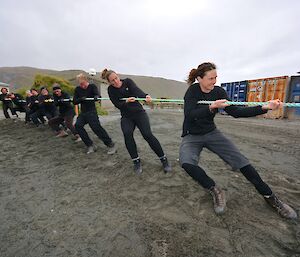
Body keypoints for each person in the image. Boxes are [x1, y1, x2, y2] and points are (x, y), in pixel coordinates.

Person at [179, 62, 297, 219]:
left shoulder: (219, 92)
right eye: (210, 78)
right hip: (191, 135)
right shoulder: (192, 92)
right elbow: (190, 114)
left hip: (211, 133)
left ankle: (271, 198)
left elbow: (236, 112)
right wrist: (211, 107)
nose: (214, 81)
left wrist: (264, 107)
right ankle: (214, 189)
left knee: (243, 163)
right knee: (186, 163)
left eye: (216, 77)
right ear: (199, 78)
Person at [101, 69, 171, 174]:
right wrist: (126, 101)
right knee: (127, 134)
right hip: (126, 116)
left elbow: (137, 90)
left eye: (116, 78)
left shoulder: (128, 82)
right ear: (109, 82)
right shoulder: (111, 90)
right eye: (112, 81)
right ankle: (136, 161)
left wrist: (145, 96)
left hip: (139, 113)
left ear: (118, 75)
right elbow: (117, 104)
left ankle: (164, 159)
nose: (115, 81)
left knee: (147, 135)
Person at [73, 73, 116, 154]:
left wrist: (96, 97)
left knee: (96, 128)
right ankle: (90, 145)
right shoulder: (77, 89)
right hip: (83, 112)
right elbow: (74, 101)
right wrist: (81, 99)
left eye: (83, 83)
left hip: (91, 111)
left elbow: (97, 95)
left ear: (86, 80)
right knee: (78, 126)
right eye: (80, 84)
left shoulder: (92, 86)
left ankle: (110, 144)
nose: (82, 86)